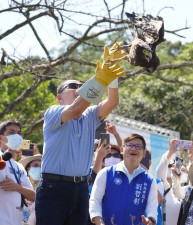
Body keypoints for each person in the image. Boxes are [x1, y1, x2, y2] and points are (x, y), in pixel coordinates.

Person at [35, 44, 126, 225]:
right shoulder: (53, 112)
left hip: (81, 188)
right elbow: (76, 109)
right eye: (72, 86)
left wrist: (111, 79)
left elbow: (112, 101)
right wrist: (99, 79)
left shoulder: (90, 115)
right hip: (53, 189)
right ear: (59, 97)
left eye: (81, 85)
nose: (78, 87)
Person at [89, 133, 158, 225]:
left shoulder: (150, 180)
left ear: (144, 153)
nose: (133, 149)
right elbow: (95, 201)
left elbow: (152, 208)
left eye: (138, 146)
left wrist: (151, 220)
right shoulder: (105, 173)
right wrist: (100, 222)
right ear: (122, 149)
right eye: (129, 145)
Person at [0, 119, 35, 225]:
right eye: (11, 132)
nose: (17, 136)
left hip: (16, 221)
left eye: (19, 133)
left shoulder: (19, 166)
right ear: (1, 137)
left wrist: (18, 187)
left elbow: (33, 196)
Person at [19, 154, 42, 225]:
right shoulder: (20, 184)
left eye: (41, 166)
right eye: (35, 165)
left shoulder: (47, 188)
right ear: (28, 168)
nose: (39, 168)